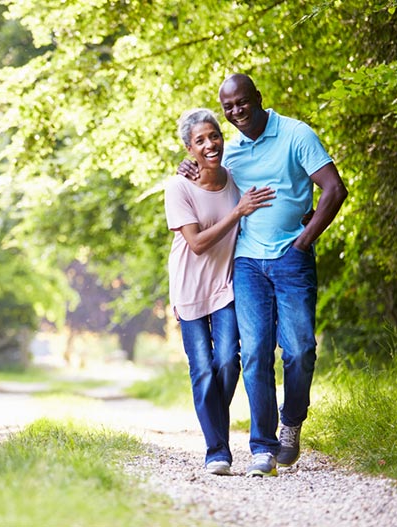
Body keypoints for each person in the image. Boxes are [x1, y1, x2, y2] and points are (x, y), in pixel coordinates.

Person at [180, 74, 348, 477]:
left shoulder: (295, 134)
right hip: (247, 264)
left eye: (242, 103)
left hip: (292, 259)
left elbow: (334, 189)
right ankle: (263, 447)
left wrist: (305, 240)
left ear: (257, 98)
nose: (237, 112)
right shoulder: (231, 152)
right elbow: (206, 177)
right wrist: (187, 162)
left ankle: (292, 422)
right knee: (254, 354)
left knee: (301, 349)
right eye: (229, 108)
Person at [165, 108, 275, 476]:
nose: (210, 144)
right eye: (200, 141)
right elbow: (195, 243)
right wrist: (237, 213)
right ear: (188, 148)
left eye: (214, 136)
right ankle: (217, 451)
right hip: (188, 287)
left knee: (228, 360)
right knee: (202, 370)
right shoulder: (178, 186)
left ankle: (213, 422)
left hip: (225, 285)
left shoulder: (235, 178)